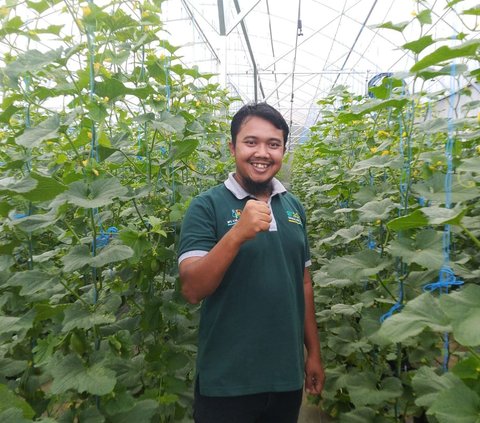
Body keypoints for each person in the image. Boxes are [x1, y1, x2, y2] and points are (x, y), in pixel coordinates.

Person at [177, 102, 324, 423]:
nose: (262, 153)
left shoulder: (293, 207)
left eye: (273, 144)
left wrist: (313, 353)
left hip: (285, 378)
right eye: (251, 142)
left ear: (284, 149)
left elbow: (303, 282)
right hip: (227, 381)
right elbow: (191, 288)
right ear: (232, 147)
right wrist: (237, 234)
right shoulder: (206, 206)